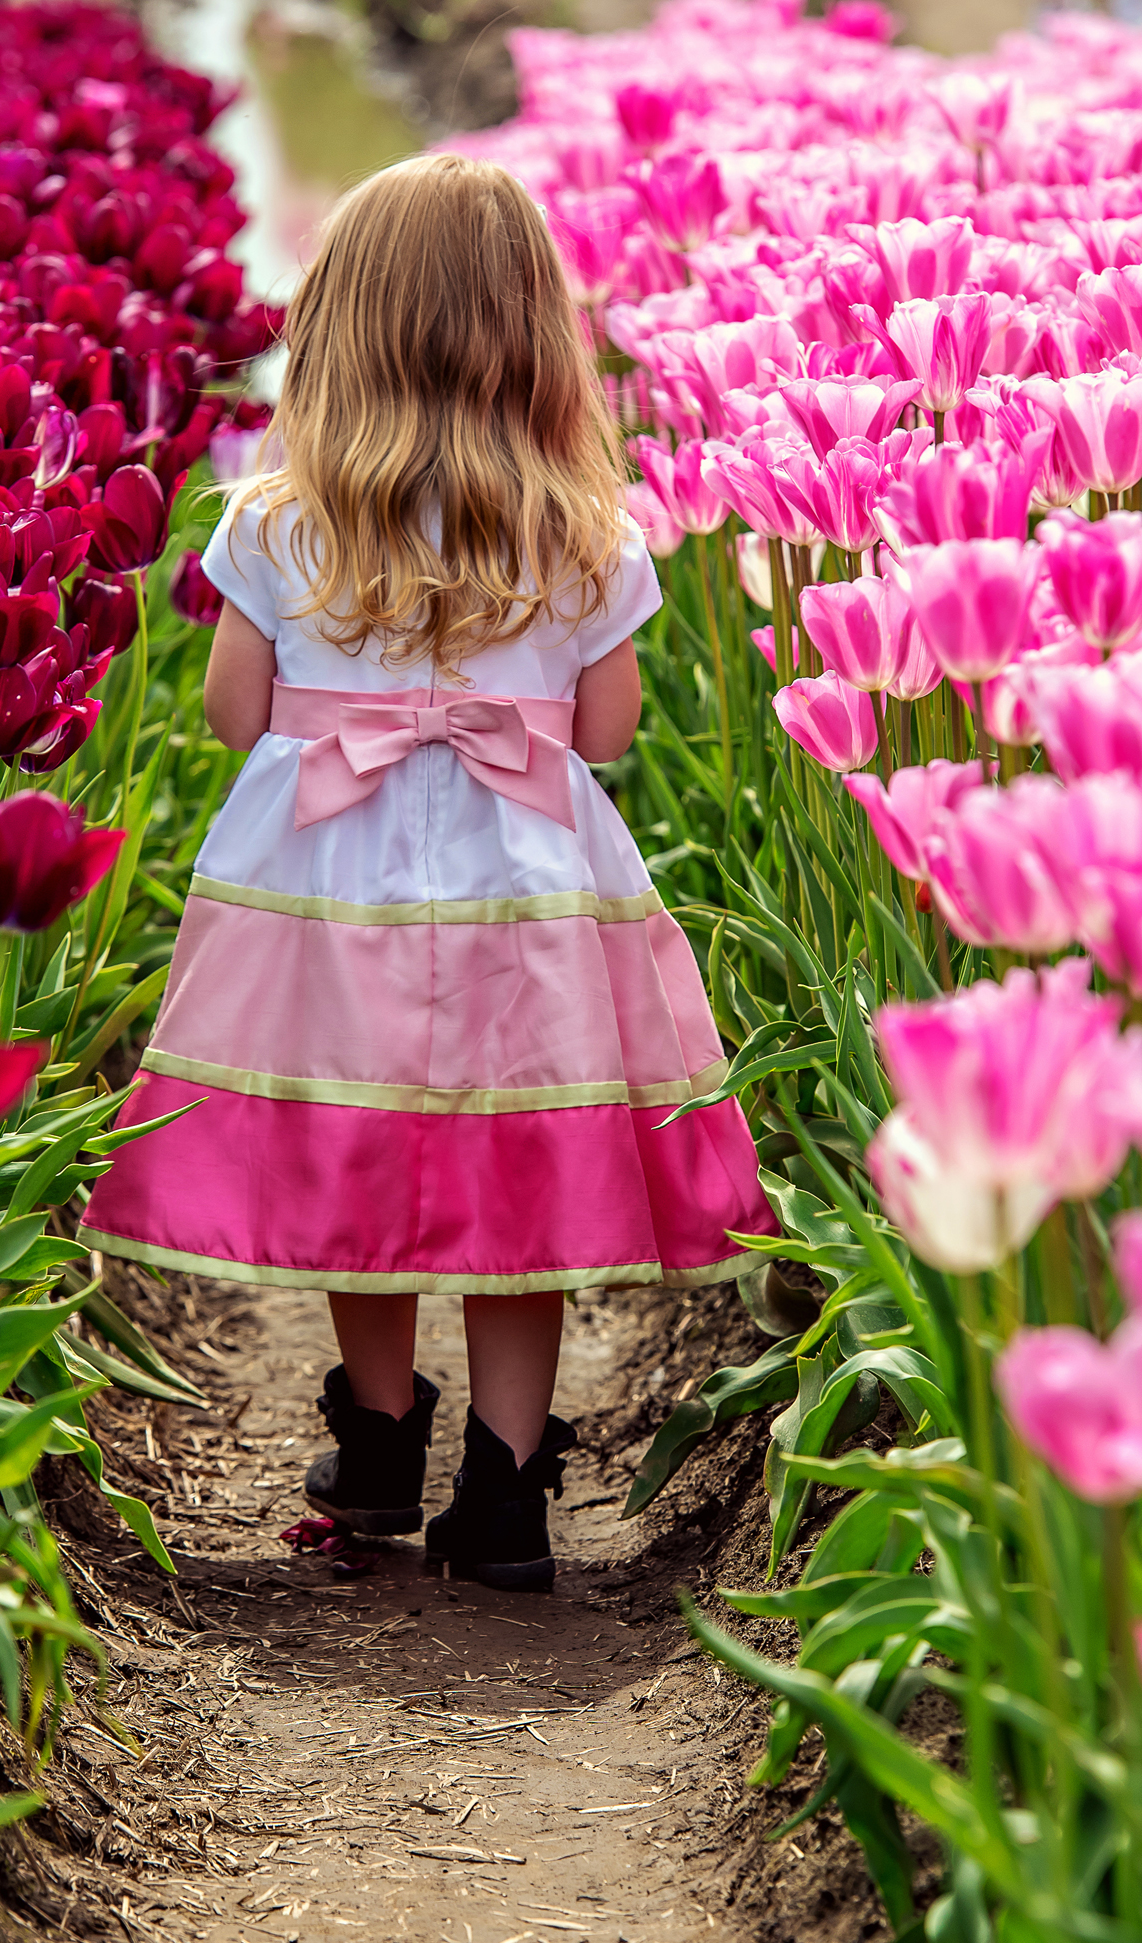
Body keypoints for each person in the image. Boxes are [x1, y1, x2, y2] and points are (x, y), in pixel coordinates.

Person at [80, 154, 782, 1591]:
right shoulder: (582, 530)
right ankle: (509, 1489)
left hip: (331, 886)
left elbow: (232, 715)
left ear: (337, 329)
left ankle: (383, 1440)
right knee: (515, 1167)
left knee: (367, 1138)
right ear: (538, 336)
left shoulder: (280, 520)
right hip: (526, 894)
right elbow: (605, 731)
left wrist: (356, 718)